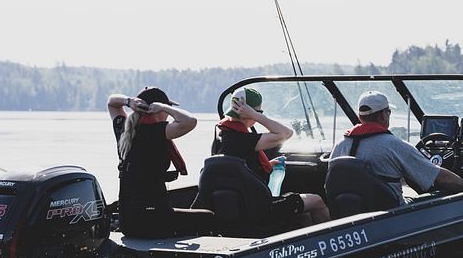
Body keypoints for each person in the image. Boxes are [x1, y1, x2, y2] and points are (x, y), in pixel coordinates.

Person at [211, 87, 330, 227]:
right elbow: (286, 133)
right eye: (258, 111)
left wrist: (267, 165)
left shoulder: (222, 137)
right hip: (259, 209)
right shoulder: (242, 140)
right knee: (316, 201)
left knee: (303, 215)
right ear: (248, 113)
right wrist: (256, 115)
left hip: (238, 205)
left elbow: (238, 170)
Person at [330, 91, 463, 204]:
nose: (388, 115)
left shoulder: (340, 144)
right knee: (441, 195)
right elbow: (442, 178)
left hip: (353, 213)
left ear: (360, 117)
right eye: (388, 111)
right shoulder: (394, 145)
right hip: (390, 214)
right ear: (382, 116)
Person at [108, 86, 209, 238]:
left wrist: (128, 102)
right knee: (209, 217)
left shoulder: (124, 130)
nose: (168, 115)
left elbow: (112, 102)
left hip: (127, 222)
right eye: (166, 111)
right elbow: (190, 121)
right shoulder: (158, 132)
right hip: (154, 222)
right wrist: (164, 107)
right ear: (155, 110)